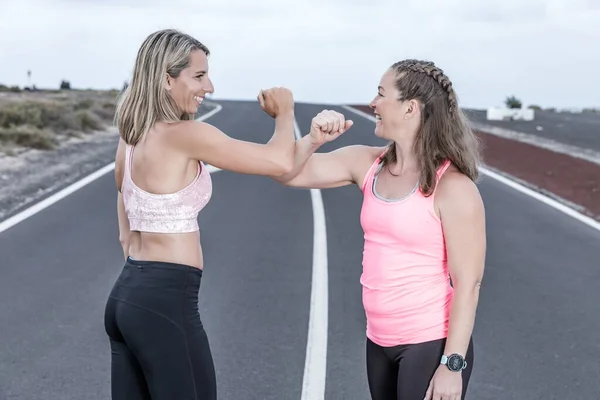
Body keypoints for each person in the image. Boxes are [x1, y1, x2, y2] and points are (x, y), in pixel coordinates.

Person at [103, 29, 299, 400]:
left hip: (127, 297)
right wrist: (285, 111)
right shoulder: (187, 134)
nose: (209, 86)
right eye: (198, 75)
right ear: (166, 78)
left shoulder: (130, 139)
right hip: (165, 300)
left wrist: (313, 142)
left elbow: (124, 231)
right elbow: (278, 160)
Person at [273, 59, 486, 400]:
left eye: (381, 94)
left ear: (410, 108)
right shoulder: (367, 163)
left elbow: (468, 283)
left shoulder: (454, 188)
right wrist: (312, 141)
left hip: (429, 343)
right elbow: (287, 173)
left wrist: (452, 364)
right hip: (379, 340)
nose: (372, 103)